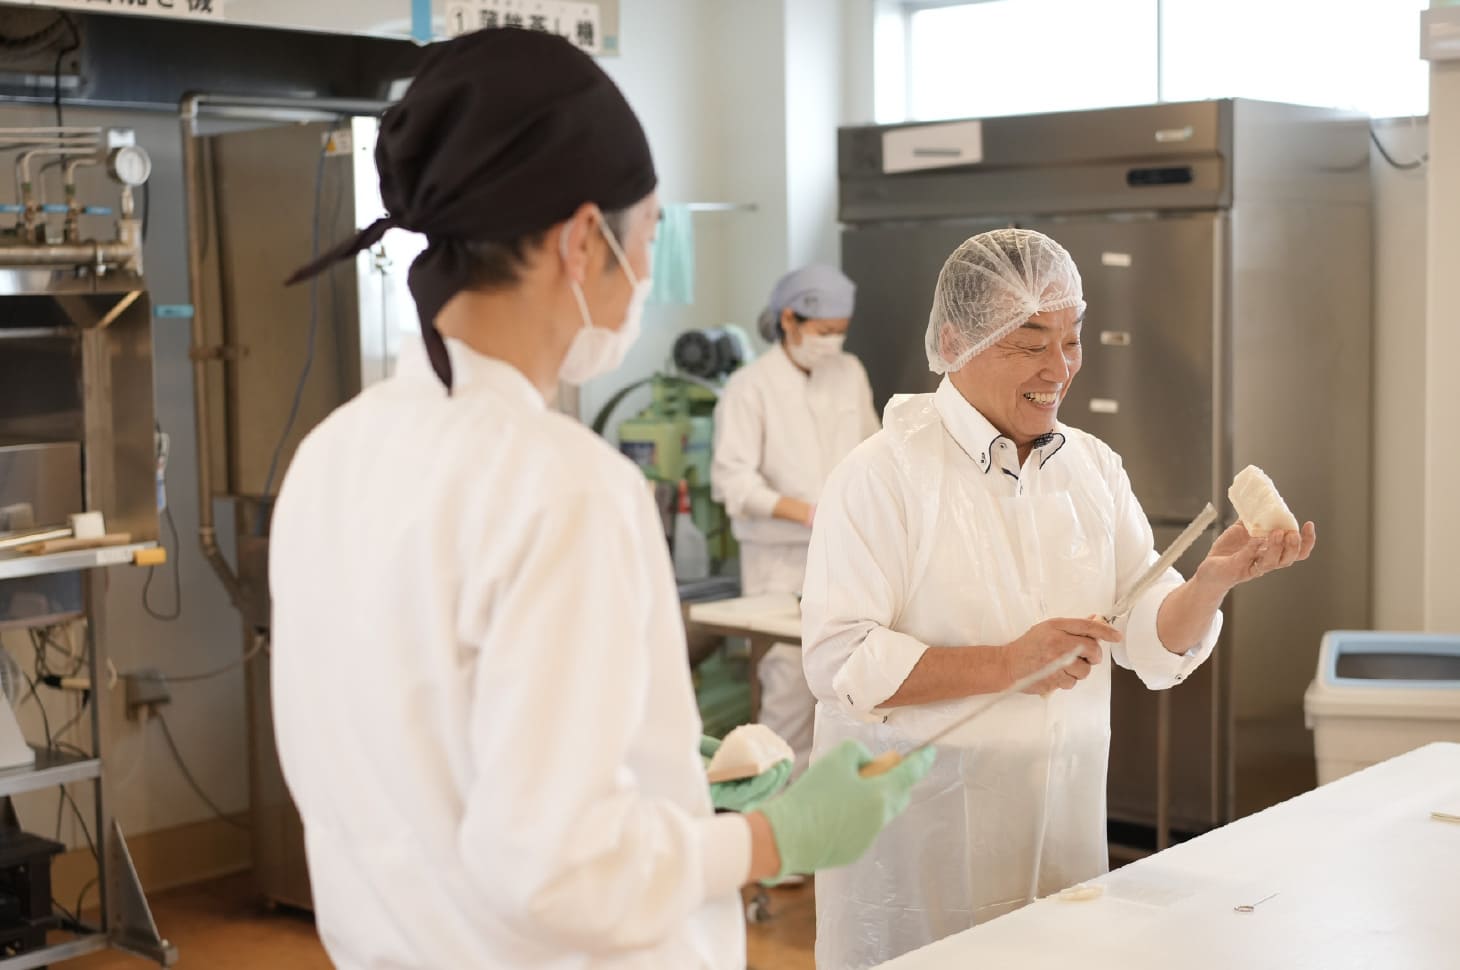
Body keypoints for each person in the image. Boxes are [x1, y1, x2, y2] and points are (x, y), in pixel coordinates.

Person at [267, 28, 933, 970]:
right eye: (649, 234)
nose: (647, 270)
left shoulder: (332, 454)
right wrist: (774, 837)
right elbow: (562, 873)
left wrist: (658, 770)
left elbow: (426, 758)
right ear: (584, 240)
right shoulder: (563, 486)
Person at [800, 228, 1317, 968]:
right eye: (1030, 343)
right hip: (920, 844)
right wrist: (1009, 664)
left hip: (1061, 833)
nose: (1060, 367)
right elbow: (840, 662)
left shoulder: (1092, 469)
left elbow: (1146, 632)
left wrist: (1210, 583)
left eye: (1072, 340)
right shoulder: (882, 476)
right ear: (955, 342)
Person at [711, 265, 879, 776]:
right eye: (823, 331)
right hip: (780, 565)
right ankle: (776, 818)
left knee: (850, 694)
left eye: (839, 331)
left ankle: (836, 818)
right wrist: (807, 513)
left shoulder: (849, 373)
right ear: (789, 319)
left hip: (848, 558)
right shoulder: (749, 386)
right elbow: (733, 482)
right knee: (788, 695)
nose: (832, 342)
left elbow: (874, 452)